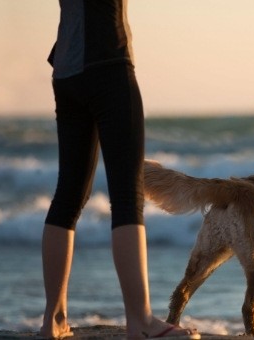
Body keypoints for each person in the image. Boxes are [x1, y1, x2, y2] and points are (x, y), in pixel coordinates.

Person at [39, 1, 200, 339]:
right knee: (127, 198)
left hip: (66, 71)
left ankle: (53, 321)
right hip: (108, 64)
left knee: (67, 197)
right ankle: (140, 322)